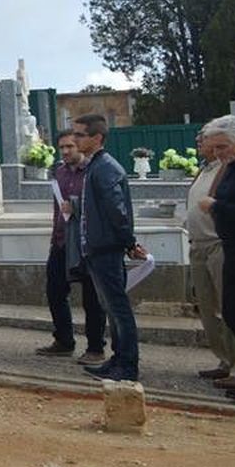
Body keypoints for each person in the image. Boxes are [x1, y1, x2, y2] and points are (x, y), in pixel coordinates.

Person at [70, 113, 147, 383]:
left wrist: (128, 242)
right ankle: (118, 358)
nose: (74, 139)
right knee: (111, 307)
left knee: (118, 308)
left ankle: (127, 365)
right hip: (97, 248)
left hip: (106, 249)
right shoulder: (96, 166)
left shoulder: (106, 168)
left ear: (97, 138)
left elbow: (117, 211)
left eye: (80, 134)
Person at [34, 129, 106, 362]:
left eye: (70, 147)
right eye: (62, 147)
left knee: (92, 297)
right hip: (61, 241)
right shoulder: (59, 172)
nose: (65, 151)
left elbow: (102, 205)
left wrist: (77, 208)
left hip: (86, 243)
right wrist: (55, 235)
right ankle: (64, 340)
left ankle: (96, 347)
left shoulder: (93, 171)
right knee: (55, 291)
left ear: (80, 147)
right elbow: (58, 208)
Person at [197, 115, 235, 402]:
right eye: (214, 148)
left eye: (222, 147)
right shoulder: (234, 166)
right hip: (234, 248)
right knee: (233, 310)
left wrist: (218, 206)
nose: (219, 154)